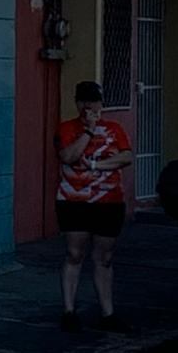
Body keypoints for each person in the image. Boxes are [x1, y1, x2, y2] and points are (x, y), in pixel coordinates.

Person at [54, 80, 135, 333]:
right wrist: (88, 131)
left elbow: (125, 157)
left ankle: (107, 313)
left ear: (101, 103)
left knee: (104, 257)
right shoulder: (67, 128)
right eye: (83, 100)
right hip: (74, 201)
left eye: (93, 101)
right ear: (77, 102)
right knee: (74, 253)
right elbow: (68, 156)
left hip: (108, 202)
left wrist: (95, 166)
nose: (88, 106)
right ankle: (69, 310)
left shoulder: (114, 128)